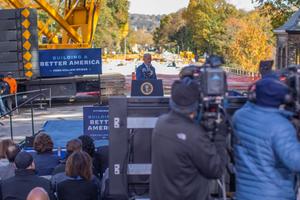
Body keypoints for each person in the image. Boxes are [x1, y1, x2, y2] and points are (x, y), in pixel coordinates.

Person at [150, 78, 228, 200]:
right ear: (196, 103)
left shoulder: (161, 123)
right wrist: (220, 136)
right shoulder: (194, 136)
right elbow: (216, 170)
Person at [232, 77, 300, 200]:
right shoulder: (281, 126)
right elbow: (296, 162)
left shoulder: (239, 116)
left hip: (245, 193)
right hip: (274, 194)